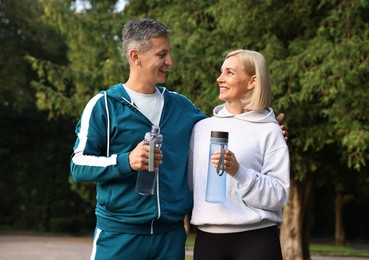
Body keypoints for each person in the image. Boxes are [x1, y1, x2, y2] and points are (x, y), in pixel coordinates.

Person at [70, 18, 288, 260]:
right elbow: (78, 166)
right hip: (120, 235)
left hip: (170, 238)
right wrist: (126, 161)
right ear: (135, 56)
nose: (169, 62)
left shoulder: (182, 107)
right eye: (162, 55)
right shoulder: (104, 106)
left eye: (169, 53)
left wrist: (265, 128)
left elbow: (227, 127)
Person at [188, 49, 290, 260]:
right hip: (207, 240)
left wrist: (239, 172)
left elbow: (279, 195)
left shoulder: (270, 130)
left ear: (253, 81)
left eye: (230, 72)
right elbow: (190, 184)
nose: (220, 78)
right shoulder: (201, 128)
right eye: (221, 71)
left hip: (257, 240)